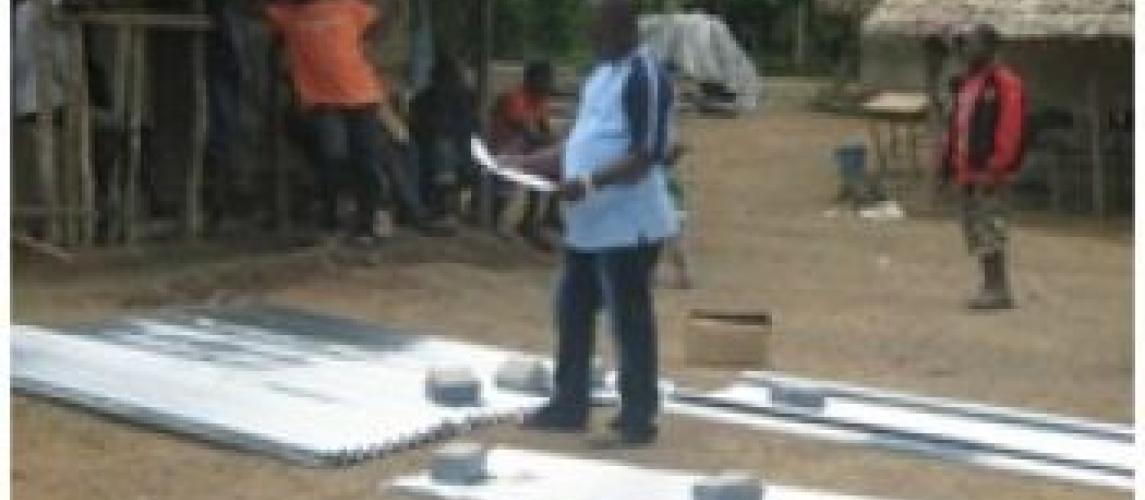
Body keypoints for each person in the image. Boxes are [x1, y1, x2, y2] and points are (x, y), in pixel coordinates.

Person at [507, 0, 679, 445]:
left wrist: (588, 183)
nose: (590, 37)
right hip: (588, 225)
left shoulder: (645, 76)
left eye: (598, 29)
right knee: (572, 311)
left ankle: (637, 417)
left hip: (628, 224)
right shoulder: (600, 75)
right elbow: (578, 145)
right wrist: (524, 163)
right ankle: (570, 404)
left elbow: (647, 155)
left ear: (623, 27)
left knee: (629, 320)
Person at [266, 0, 448, 242]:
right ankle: (337, 217)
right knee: (334, 154)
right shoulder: (288, 14)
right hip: (322, 100)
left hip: (362, 96)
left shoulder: (346, 6)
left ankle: (368, 222)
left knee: (368, 160)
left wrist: (365, 44)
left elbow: (381, 21)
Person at [939, 23, 1027, 310]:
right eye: (964, 44)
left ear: (990, 48)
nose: (965, 49)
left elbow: (1010, 128)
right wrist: (947, 166)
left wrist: (997, 166)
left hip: (989, 171)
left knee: (991, 227)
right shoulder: (966, 83)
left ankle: (998, 289)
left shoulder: (1004, 83)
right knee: (975, 228)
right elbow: (956, 126)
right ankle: (989, 285)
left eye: (971, 43)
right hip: (967, 170)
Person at [490, 61, 560, 250]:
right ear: (531, 79)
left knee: (557, 163)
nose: (549, 84)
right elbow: (528, 133)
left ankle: (536, 219)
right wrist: (550, 143)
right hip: (501, 148)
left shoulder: (540, 99)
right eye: (545, 79)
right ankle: (494, 218)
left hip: (522, 148)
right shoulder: (515, 97)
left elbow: (545, 131)